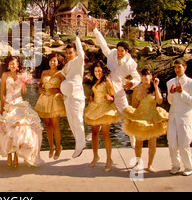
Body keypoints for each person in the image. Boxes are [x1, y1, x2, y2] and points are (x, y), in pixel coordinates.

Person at [88, 19, 141, 147]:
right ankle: (93, 132)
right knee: (99, 110)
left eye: (122, 51)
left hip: (119, 91)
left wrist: (131, 83)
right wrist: (95, 30)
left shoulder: (131, 64)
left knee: (127, 115)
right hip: (106, 89)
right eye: (118, 50)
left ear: (126, 52)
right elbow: (103, 45)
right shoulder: (111, 54)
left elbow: (137, 78)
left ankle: (133, 141)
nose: (118, 53)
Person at [0, 56, 43, 167]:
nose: (11, 66)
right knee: (7, 130)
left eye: (13, 64)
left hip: (19, 104)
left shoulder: (21, 76)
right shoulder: (5, 75)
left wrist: (24, 83)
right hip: (8, 104)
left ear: (18, 65)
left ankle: (16, 155)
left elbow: (23, 92)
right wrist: (2, 107)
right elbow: (2, 92)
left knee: (18, 131)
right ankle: (9, 154)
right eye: (10, 64)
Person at [122, 68, 168, 173]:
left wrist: (156, 88)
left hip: (152, 117)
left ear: (150, 76)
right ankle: (138, 163)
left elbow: (160, 101)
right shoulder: (137, 88)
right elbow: (134, 105)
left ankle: (150, 165)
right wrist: (138, 98)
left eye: (146, 76)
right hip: (140, 117)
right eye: (142, 76)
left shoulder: (154, 87)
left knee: (152, 143)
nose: (144, 78)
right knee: (139, 143)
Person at [84, 60, 121, 172]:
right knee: (94, 133)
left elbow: (112, 97)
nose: (97, 73)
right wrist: (91, 96)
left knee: (105, 134)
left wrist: (108, 98)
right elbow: (95, 92)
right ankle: (95, 156)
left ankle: (109, 159)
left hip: (105, 109)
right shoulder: (96, 81)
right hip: (95, 108)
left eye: (99, 71)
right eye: (95, 71)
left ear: (104, 71)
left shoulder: (107, 81)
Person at [166, 58, 192, 176]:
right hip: (173, 117)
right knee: (172, 144)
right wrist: (172, 93)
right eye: (175, 67)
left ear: (185, 68)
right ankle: (175, 165)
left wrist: (182, 93)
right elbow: (170, 101)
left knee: (184, 144)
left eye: (179, 67)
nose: (177, 70)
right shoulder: (170, 82)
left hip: (185, 117)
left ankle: (189, 166)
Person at [60, 33, 86, 158]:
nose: (68, 55)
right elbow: (60, 74)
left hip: (76, 96)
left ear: (75, 53)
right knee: (71, 121)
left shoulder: (79, 61)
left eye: (70, 52)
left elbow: (81, 53)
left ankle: (80, 144)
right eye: (67, 53)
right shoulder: (67, 65)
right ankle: (80, 141)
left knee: (77, 119)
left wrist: (77, 40)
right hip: (67, 97)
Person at [35, 53, 66, 160]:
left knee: (55, 124)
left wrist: (57, 89)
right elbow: (40, 84)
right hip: (44, 99)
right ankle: (51, 146)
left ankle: (58, 147)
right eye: (51, 61)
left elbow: (65, 88)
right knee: (47, 124)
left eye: (54, 61)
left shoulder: (61, 74)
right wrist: (40, 89)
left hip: (55, 100)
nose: (52, 63)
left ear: (58, 62)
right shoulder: (44, 72)